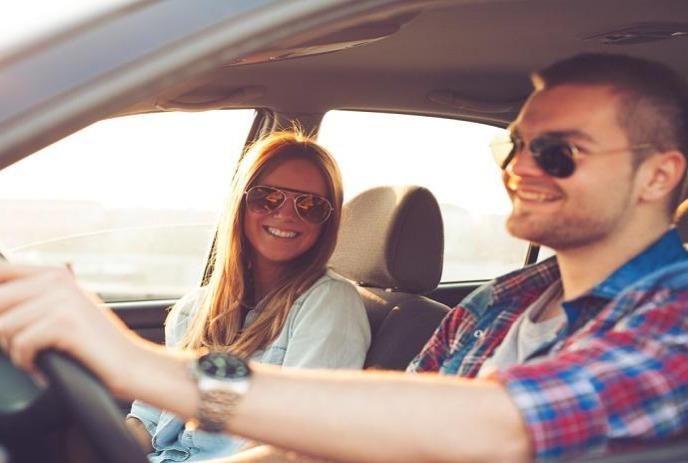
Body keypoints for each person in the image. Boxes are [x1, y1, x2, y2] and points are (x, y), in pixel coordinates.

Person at [1, 52, 688, 463]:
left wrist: (141, 363)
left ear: (658, 176)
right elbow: (350, 433)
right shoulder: (501, 301)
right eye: (512, 146)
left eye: (557, 152)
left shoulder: (675, 318)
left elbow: (497, 424)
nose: (519, 168)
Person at [123, 131, 372, 461]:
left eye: (309, 205)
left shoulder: (329, 304)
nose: (285, 214)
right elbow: (150, 418)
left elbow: (296, 444)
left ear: (327, 222)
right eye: (267, 197)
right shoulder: (192, 309)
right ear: (240, 204)